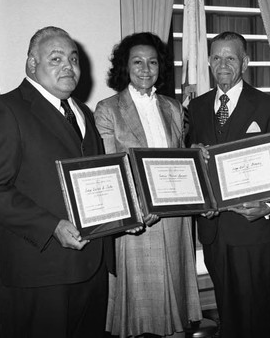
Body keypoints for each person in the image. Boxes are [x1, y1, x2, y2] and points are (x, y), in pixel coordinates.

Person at [0, 26, 113, 338]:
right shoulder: (7, 109)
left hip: (91, 267)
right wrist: (52, 226)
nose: (68, 67)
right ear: (32, 64)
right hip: (41, 272)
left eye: (73, 59)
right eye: (56, 59)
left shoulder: (83, 112)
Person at [94, 32, 202, 338]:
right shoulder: (107, 109)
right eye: (137, 61)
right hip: (137, 221)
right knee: (138, 315)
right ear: (125, 67)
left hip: (176, 219)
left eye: (152, 61)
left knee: (176, 309)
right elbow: (108, 167)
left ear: (161, 67)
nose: (145, 68)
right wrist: (138, 205)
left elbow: (182, 160)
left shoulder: (174, 108)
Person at [187, 31, 270, 338]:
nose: (223, 64)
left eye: (230, 57)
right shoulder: (197, 107)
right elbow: (191, 163)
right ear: (209, 63)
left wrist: (268, 207)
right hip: (214, 229)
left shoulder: (268, 106)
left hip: (253, 227)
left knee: (255, 314)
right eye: (216, 57)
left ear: (245, 62)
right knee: (226, 312)